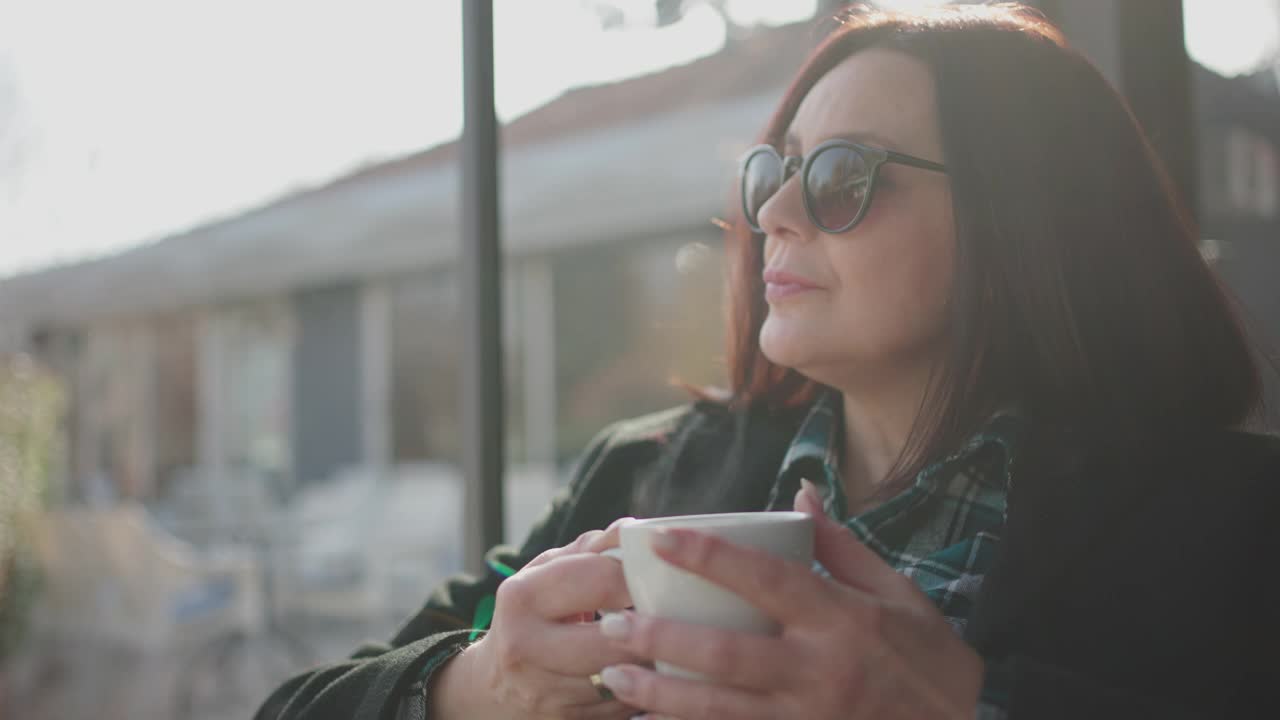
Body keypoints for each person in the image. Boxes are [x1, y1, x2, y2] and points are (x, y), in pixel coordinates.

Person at [256, 5, 1279, 719]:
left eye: (842, 176)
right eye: (770, 172)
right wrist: (473, 689)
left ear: (1025, 220)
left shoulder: (1231, 529)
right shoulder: (646, 473)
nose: (775, 216)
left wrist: (968, 711)